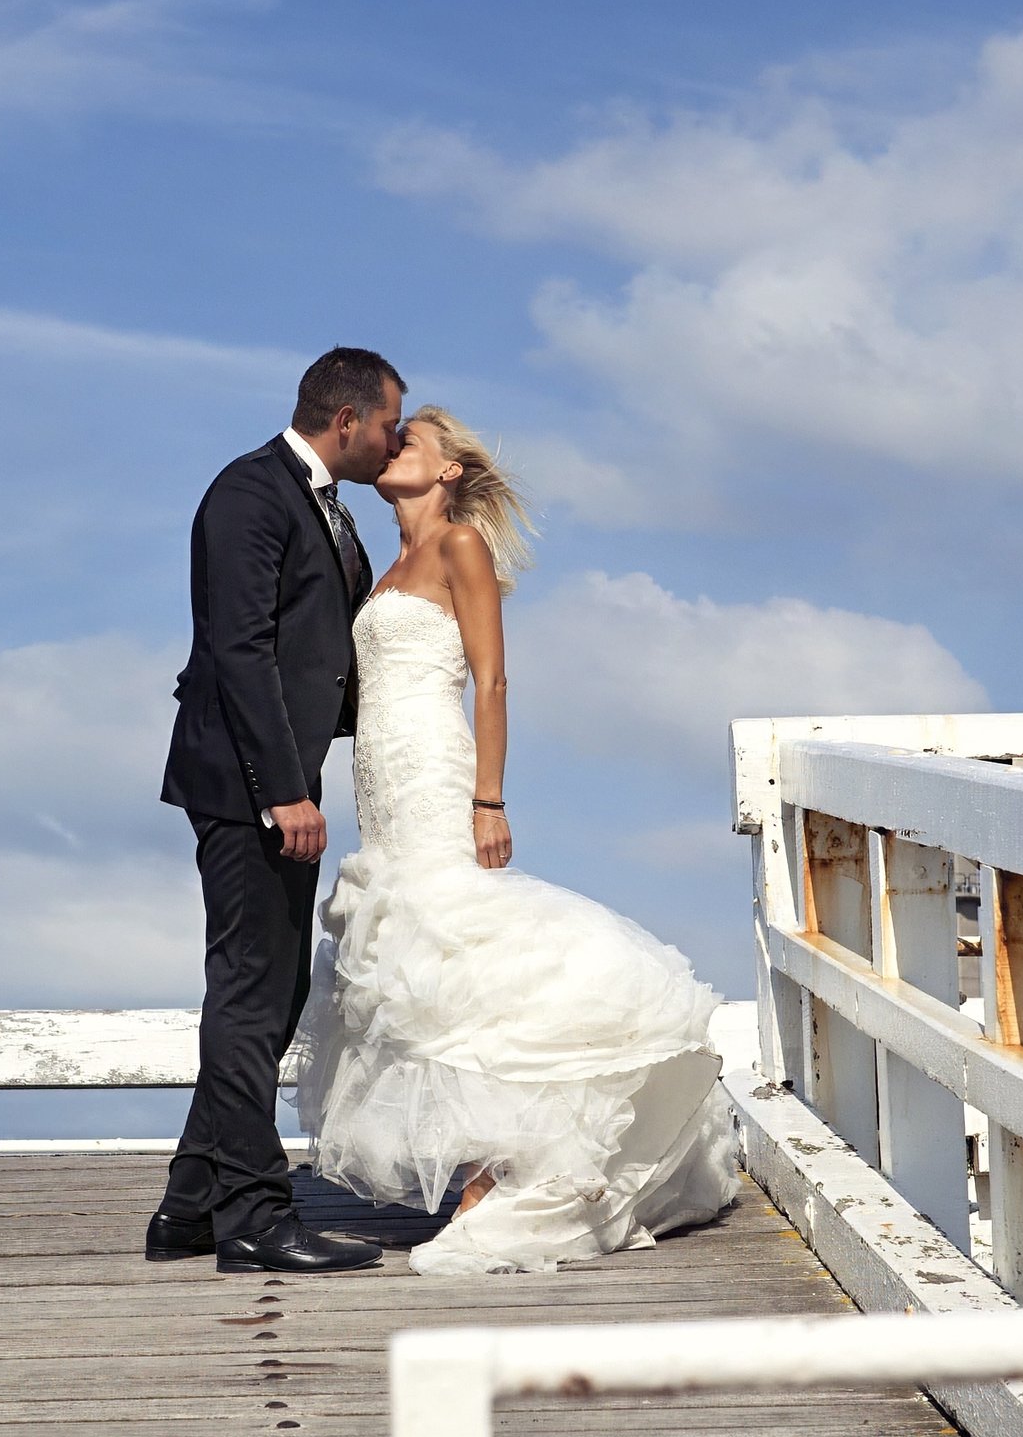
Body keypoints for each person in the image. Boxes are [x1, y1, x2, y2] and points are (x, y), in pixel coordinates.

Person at [294, 406, 739, 1274]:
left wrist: (488, 799)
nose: (390, 450)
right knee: (413, 956)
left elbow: (492, 679)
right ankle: (485, 1161)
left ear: (450, 470)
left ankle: (497, 1170)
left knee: (452, 936)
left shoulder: (460, 546)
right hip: (380, 782)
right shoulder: (382, 566)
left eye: (407, 441)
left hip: (435, 768)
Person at [148, 348, 406, 1275]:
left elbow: (321, 650)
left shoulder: (324, 508)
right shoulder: (249, 494)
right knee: (252, 992)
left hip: (285, 780)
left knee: (272, 989)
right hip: (246, 786)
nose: (396, 439)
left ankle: (188, 1205)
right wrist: (283, 791)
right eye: (390, 424)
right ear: (347, 420)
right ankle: (254, 1215)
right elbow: (240, 649)